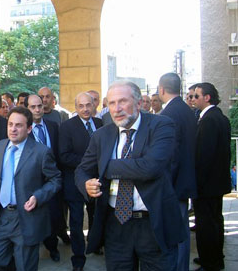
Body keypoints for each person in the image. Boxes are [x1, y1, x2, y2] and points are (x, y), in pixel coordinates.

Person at [75, 80, 186, 270]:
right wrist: (86, 183)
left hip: (153, 223)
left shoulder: (161, 125)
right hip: (116, 224)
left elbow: (150, 167)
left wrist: (106, 168)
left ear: (139, 103)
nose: (116, 109)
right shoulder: (101, 135)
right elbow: (82, 170)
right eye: (111, 103)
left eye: (122, 101)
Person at [0, 106, 62, 271]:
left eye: (18, 125)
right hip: (1, 216)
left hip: (26, 217)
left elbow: (56, 179)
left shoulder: (41, 152)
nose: (13, 129)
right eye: (10, 124)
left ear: (29, 128)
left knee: (26, 265)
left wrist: (38, 197)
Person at [59, 92, 103, 271]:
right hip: (75, 183)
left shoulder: (100, 124)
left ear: (94, 105)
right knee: (76, 224)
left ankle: (95, 244)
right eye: (81, 106)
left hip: (98, 182)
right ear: (76, 108)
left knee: (96, 217)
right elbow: (63, 156)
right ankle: (78, 259)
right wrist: (89, 163)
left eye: (88, 105)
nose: (85, 109)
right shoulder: (67, 127)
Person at [158, 73, 197, 271]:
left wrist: (165, 184)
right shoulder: (187, 110)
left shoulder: (168, 114)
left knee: (175, 231)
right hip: (186, 179)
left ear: (162, 89)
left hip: (174, 183)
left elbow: (170, 155)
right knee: (181, 229)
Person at [192, 82, 231, 271]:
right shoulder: (220, 117)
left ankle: (210, 262)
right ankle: (216, 257)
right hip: (217, 182)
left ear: (207, 98)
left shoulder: (208, 120)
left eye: (196, 96)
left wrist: (197, 182)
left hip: (207, 184)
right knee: (216, 220)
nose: (193, 99)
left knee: (206, 224)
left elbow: (204, 156)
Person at [25, 94, 66, 262]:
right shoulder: (24, 130)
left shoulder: (53, 126)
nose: (37, 110)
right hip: (33, 182)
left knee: (54, 215)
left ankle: (53, 247)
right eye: (33, 107)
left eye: (39, 106)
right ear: (27, 109)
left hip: (52, 180)